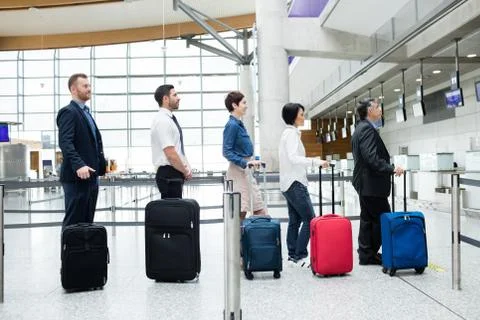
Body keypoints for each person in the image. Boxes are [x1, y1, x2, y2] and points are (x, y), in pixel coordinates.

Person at [351, 98, 404, 265]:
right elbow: (371, 158)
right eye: (377, 107)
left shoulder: (360, 128)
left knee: (368, 219)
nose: (380, 109)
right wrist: (391, 168)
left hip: (366, 183)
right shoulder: (367, 129)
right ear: (368, 111)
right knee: (382, 218)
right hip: (371, 184)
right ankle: (368, 253)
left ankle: (366, 254)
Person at [279, 103, 329, 266]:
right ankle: (299, 255)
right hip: (295, 183)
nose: (303, 116)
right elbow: (294, 158)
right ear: (293, 116)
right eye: (301, 114)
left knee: (295, 220)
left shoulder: (287, 134)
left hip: (288, 183)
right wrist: (316, 161)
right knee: (310, 219)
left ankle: (293, 254)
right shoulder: (291, 135)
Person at [57, 73, 107, 230]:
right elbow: (65, 142)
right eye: (85, 86)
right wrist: (79, 165)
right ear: (73, 89)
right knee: (73, 224)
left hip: (91, 177)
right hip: (76, 178)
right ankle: (68, 254)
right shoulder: (69, 112)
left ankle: (84, 254)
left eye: (89, 85)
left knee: (87, 223)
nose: (89, 89)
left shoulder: (86, 112)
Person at [222, 91, 266, 221]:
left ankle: (250, 240)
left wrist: (251, 161)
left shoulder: (238, 124)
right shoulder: (232, 125)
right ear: (234, 105)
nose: (246, 106)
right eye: (244, 103)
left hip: (245, 170)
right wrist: (245, 162)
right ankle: (238, 241)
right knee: (242, 211)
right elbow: (226, 151)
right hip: (238, 171)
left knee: (257, 208)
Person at [151, 84, 192, 198]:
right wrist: (185, 170)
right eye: (174, 95)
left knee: (174, 212)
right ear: (165, 99)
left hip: (173, 172)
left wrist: (185, 167)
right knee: (173, 213)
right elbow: (170, 153)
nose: (178, 98)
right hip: (169, 173)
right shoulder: (163, 121)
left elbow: (176, 149)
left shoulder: (168, 119)